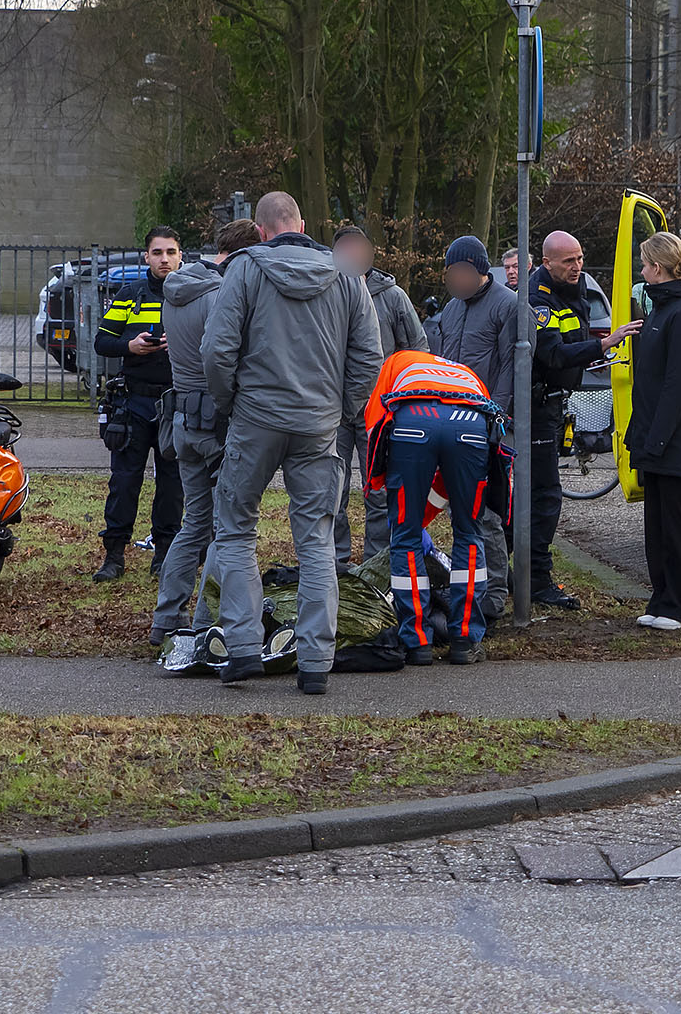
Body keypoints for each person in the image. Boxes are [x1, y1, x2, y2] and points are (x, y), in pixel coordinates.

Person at [204, 191, 381, 694]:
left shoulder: (245, 269)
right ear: (301, 223)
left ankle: (241, 651)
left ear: (260, 230)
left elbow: (217, 351)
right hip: (320, 427)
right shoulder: (347, 274)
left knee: (236, 530)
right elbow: (369, 355)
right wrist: (342, 410)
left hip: (255, 420)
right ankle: (315, 663)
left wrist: (230, 402)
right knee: (317, 540)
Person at [148, 218, 262, 645]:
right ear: (242, 256)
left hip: (182, 420)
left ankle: (165, 619)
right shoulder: (219, 294)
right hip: (215, 421)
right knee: (225, 526)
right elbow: (220, 359)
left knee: (193, 523)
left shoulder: (175, 290)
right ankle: (203, 622)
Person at [363, 349, 499, 664]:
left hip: (412, 420)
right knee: (469, 531)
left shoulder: (396, 362)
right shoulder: (466, 373)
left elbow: (376, 423)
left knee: (405, 538)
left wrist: (384, 488)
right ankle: (464, 640)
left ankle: (417, 642)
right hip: (470, 424)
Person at [531, 230, 642, 609]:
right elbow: (553, 356)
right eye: (568, 261)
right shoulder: (539, 300)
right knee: (544, 497)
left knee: (544, 496)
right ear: (547, 263)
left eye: (579, 258)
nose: (577, 266)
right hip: (537, 408)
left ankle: (531, 576)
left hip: (553, 404)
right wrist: (603, 344)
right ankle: (535, 582)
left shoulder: (570, 290)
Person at [425, 235, 522, 612]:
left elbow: (513, 368)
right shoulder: (451, 310)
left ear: (480, 270)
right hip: (450, 424)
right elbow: (443, 365)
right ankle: (469, 586)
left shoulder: (508, 306)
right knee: (460, 512)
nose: (456, 279)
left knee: (487, 513)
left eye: (462, 271)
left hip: (488, 425)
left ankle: (495, 594)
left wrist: (496, 418)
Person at [330, 224, 429, 571]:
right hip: (336, 409)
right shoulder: (327, 291)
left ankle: (376, 564)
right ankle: (335, 563)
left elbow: (417, 349)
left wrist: (405, 397)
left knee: (378, 490)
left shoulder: (393, 296)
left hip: (381, 411)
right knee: (333, 487)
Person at [90, 226, 185, 583]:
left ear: (181, 256)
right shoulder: (130, 294)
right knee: (125, 481)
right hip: (134, 400)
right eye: (157, 253)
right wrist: (130, 346)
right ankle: (114, 556)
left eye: (170, 252)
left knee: (172, 483)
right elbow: (102, 341)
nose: (164, 259)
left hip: (175, 402)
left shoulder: (192, 294)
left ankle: (164, 555)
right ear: (146, 256)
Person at [626, 232, 681, 631]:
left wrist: (657, 439)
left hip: (675, 444)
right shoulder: (661, 309)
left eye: (644, 265)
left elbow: (679, 386)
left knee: (676, 529)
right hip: (656, 440)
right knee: (656, 527)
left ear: (657, 269)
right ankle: (661, 599)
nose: (641, 273)